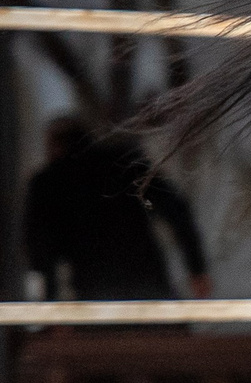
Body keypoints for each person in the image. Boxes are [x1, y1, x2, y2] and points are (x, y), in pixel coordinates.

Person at [22, 115, 210, 301]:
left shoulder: (48, 183)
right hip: (147, 281)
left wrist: (47, 306)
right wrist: (197, 268)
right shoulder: (124, 162)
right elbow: (176, 210)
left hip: (93, 289)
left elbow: (39, 249)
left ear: (55, 146)